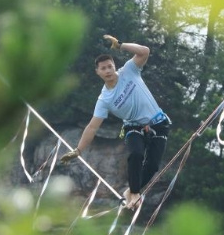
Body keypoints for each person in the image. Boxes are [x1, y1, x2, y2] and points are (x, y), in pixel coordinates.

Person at [60, 34, 170, 209]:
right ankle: (134, 192)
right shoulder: (104, 99)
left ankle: (131, 192)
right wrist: (78, 150)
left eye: (110, 66)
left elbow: (145, 52)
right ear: (98, 72)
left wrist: (121, 45)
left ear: (114, 66)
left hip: (159, 124)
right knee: (136, 154)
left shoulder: (129, 71)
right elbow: (92, 126)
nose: (108, 70)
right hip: (133, 127)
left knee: (153, 165)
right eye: (103, 68)